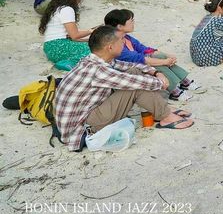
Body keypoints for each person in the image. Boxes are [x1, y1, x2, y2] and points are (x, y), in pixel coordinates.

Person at [54, 26, 194, 151]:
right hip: (83, 127)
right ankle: (166, 116)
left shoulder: (95, 60)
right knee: (136, 87)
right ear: (110, 47)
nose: (124, 43)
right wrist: (160, 82)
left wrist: (156, 72)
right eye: (121, 40)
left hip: (87, 114)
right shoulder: (98, 70)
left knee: (134, 72)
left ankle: (162, 109)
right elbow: (135, 83)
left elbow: (131, 66)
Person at [104, 9, 195, 102]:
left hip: (138, 64)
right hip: (128, 71)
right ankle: (174, 91)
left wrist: (167, 56)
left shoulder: (126, 38)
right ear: (119, 26)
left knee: (158, 56)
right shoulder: (115, 44)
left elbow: (143, 49)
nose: (133, 23)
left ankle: (184, 81)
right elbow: (138, 59)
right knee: (154, 63)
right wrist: (164, 61)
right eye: (131, 21)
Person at [39, 0, 96, 70]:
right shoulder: (67, 9)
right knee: (97, 51)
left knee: (93, 45)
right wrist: (91, 31)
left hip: (51, 48)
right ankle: (69, 62)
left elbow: (71, 36)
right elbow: (75, 35)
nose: (80, 1)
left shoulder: (57, 8)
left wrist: (88, 39)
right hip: (59, 46)